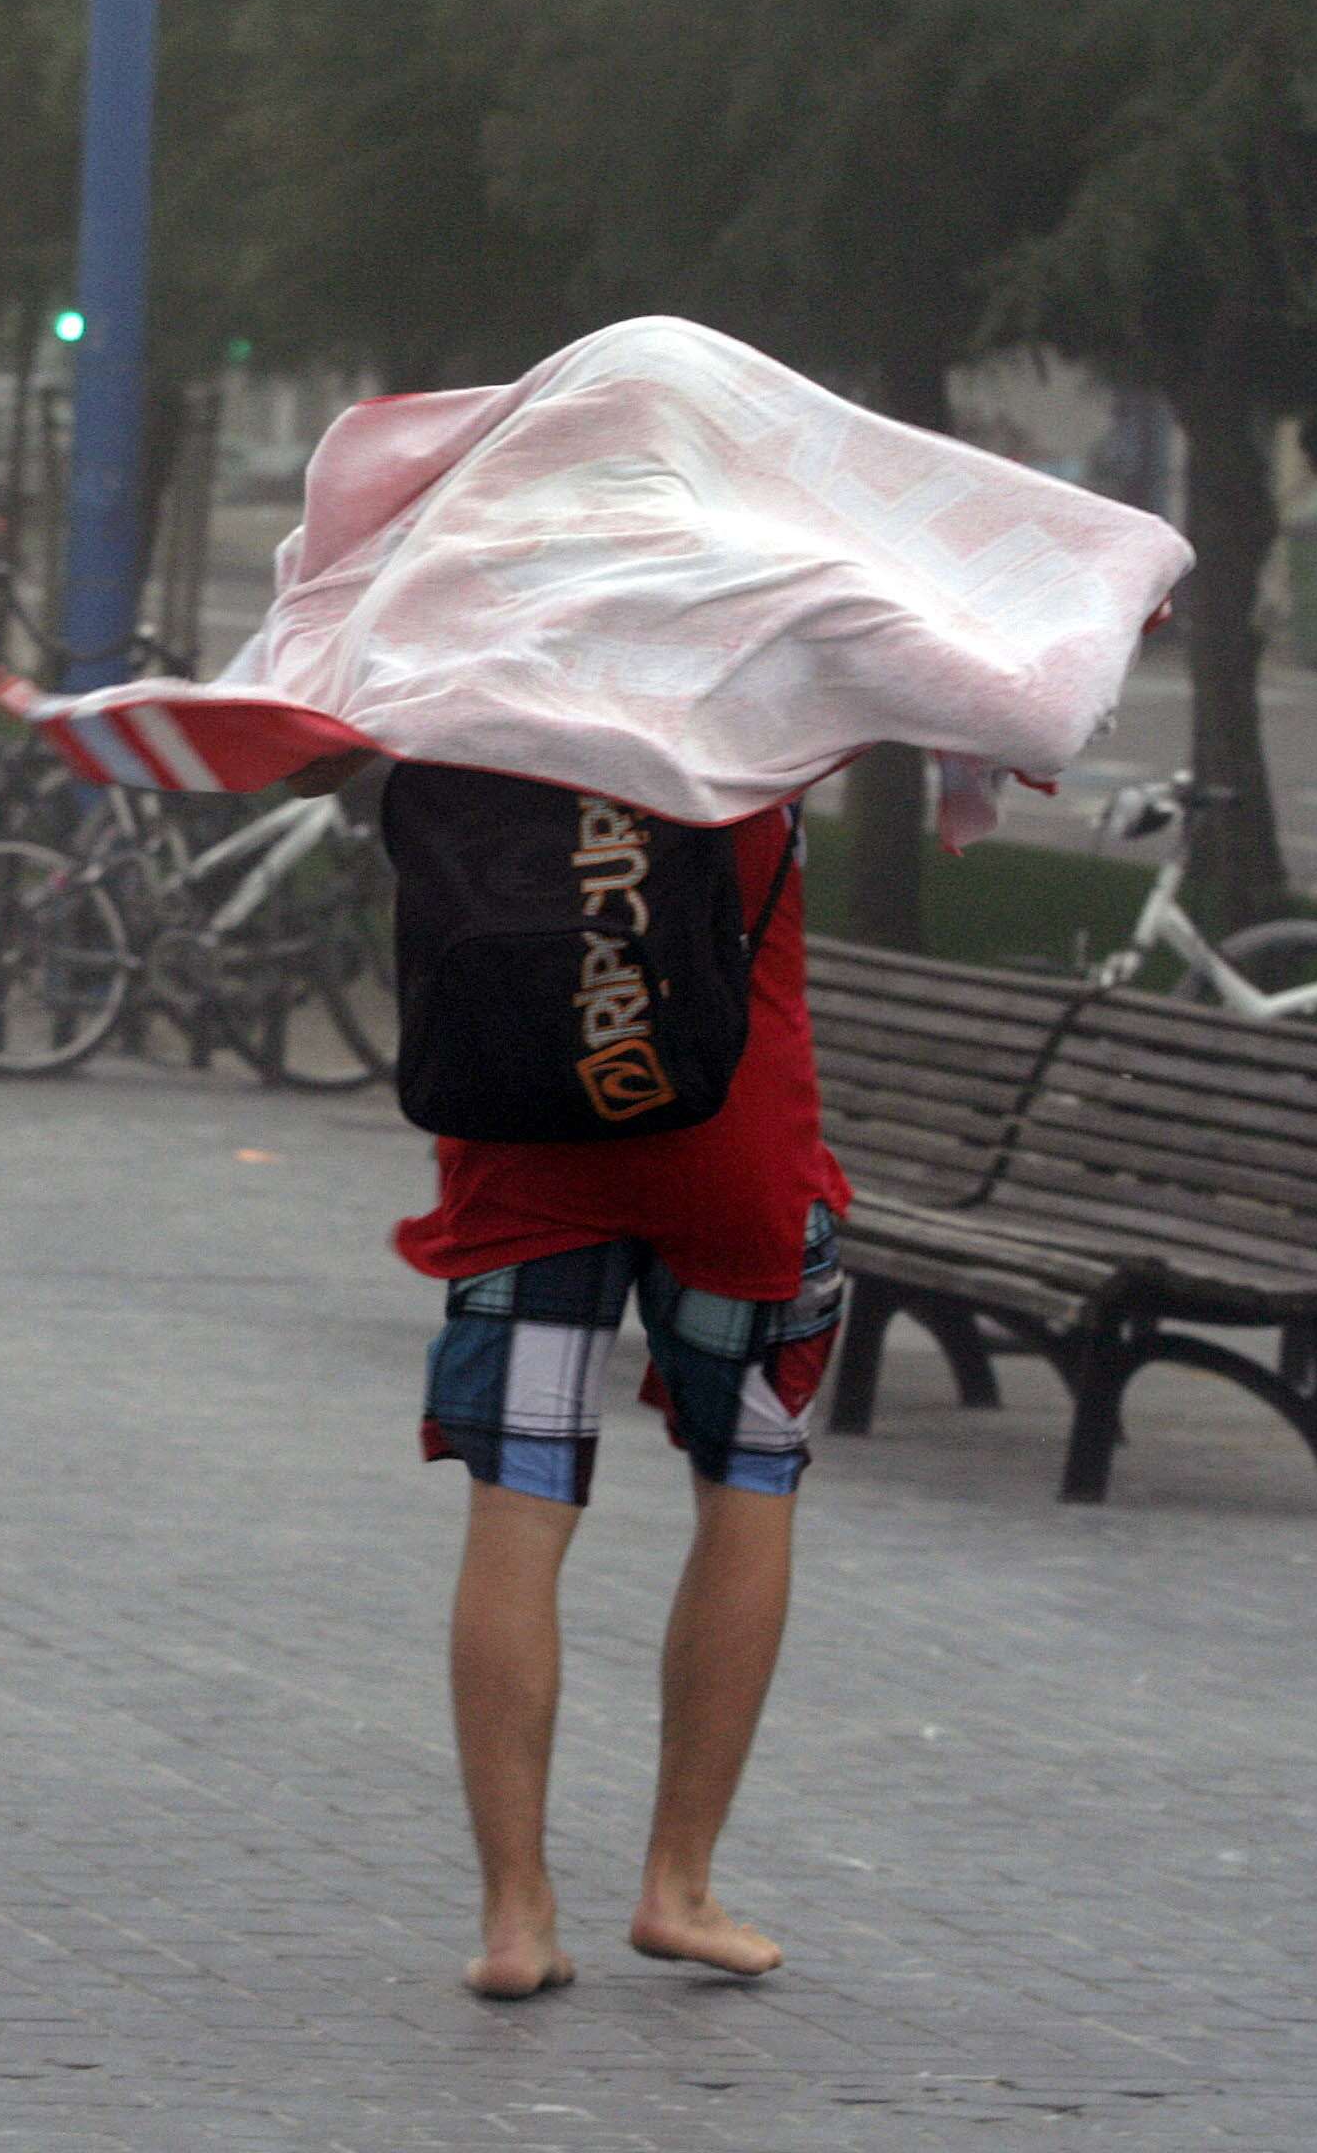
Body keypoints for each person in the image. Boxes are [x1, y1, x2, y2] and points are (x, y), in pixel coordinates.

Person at [380, 773, 846, 1999]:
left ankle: (515, 1916)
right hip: (733, 1140)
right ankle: (677, 1886)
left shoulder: (480, 700)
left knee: (515, 1510)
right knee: (748, 1479)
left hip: (525, 1135)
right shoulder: (759, 711)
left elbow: (330, 757)